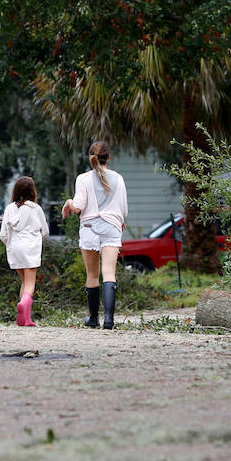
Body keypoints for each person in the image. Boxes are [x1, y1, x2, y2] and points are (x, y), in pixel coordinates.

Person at [62, 141, 128, 329]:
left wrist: (68, 202)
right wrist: (118, 219)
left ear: (90, 156)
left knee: (92, 274)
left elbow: (78, 206)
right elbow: (123, 208)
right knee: (109, 273)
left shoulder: (83, 179)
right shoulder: (119, 178)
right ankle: (109, 320)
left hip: (90, 228)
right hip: (111, 228)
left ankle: (93, 319)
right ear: (108, 157)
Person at [0, 176, 49, 327]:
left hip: (14, 248)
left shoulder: (9, 209)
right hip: (30, 248)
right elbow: (45, 232)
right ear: (32, 191)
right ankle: (23, 308)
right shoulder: (36, 208)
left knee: (24, 282)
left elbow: (3, 234)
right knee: (30, 285)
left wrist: (11, 243)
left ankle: (25, 319)